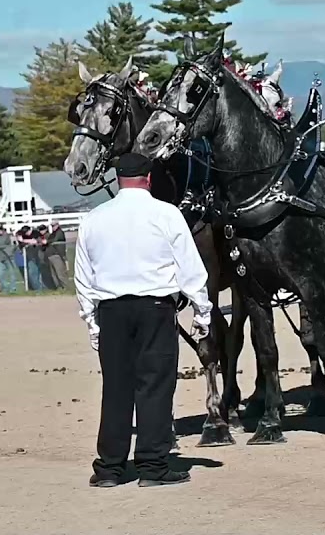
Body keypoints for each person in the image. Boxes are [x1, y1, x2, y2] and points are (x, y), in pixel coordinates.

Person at [75, 152, 212, 488]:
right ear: (148, 179)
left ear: (119, 179)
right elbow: (190, 266)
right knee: (155, 387)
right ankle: (152, 466)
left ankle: (109, 468)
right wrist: (202, 309)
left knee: (116, 389)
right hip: (154, 308)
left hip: (111, 310)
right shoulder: (166, 214)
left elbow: (83, 277)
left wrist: (91, 321)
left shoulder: (94, 218)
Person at [0, 224, 20, 293]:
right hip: (0, 257)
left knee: (11, 273)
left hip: (8, 256)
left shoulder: (7, 236)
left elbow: (1, 243)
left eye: (1, 230)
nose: (0, 231)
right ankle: (5, 287)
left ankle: (13, 288)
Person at [44, 221, 69, 290]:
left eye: (54, 225)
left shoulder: (59, 232)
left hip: (57, 254)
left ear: (57, 225)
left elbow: (55, 240)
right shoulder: (53, 234)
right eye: (52, 226)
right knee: (54, 274)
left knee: (60, 273)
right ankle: (59, 287)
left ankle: (66, 287)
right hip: (51, 255)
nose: (53, 227)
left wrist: (47, 242)